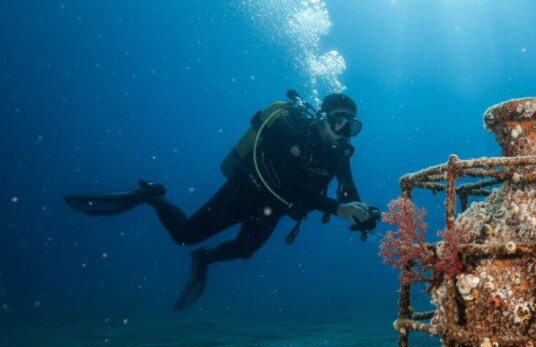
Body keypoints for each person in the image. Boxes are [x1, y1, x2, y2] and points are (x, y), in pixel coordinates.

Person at [65, 90, 379, 310]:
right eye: (339, 122)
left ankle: (205, 259)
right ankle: (151, 196)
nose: (345, 131)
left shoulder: (340, 152)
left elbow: (347, 189)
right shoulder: (291, 129)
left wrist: (363, 211)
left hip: (274, 210)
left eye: (352, 126)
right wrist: (336, 208)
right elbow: (291, 185)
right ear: (324, 117)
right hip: (247, 191)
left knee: (243, 252)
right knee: (184, 235)